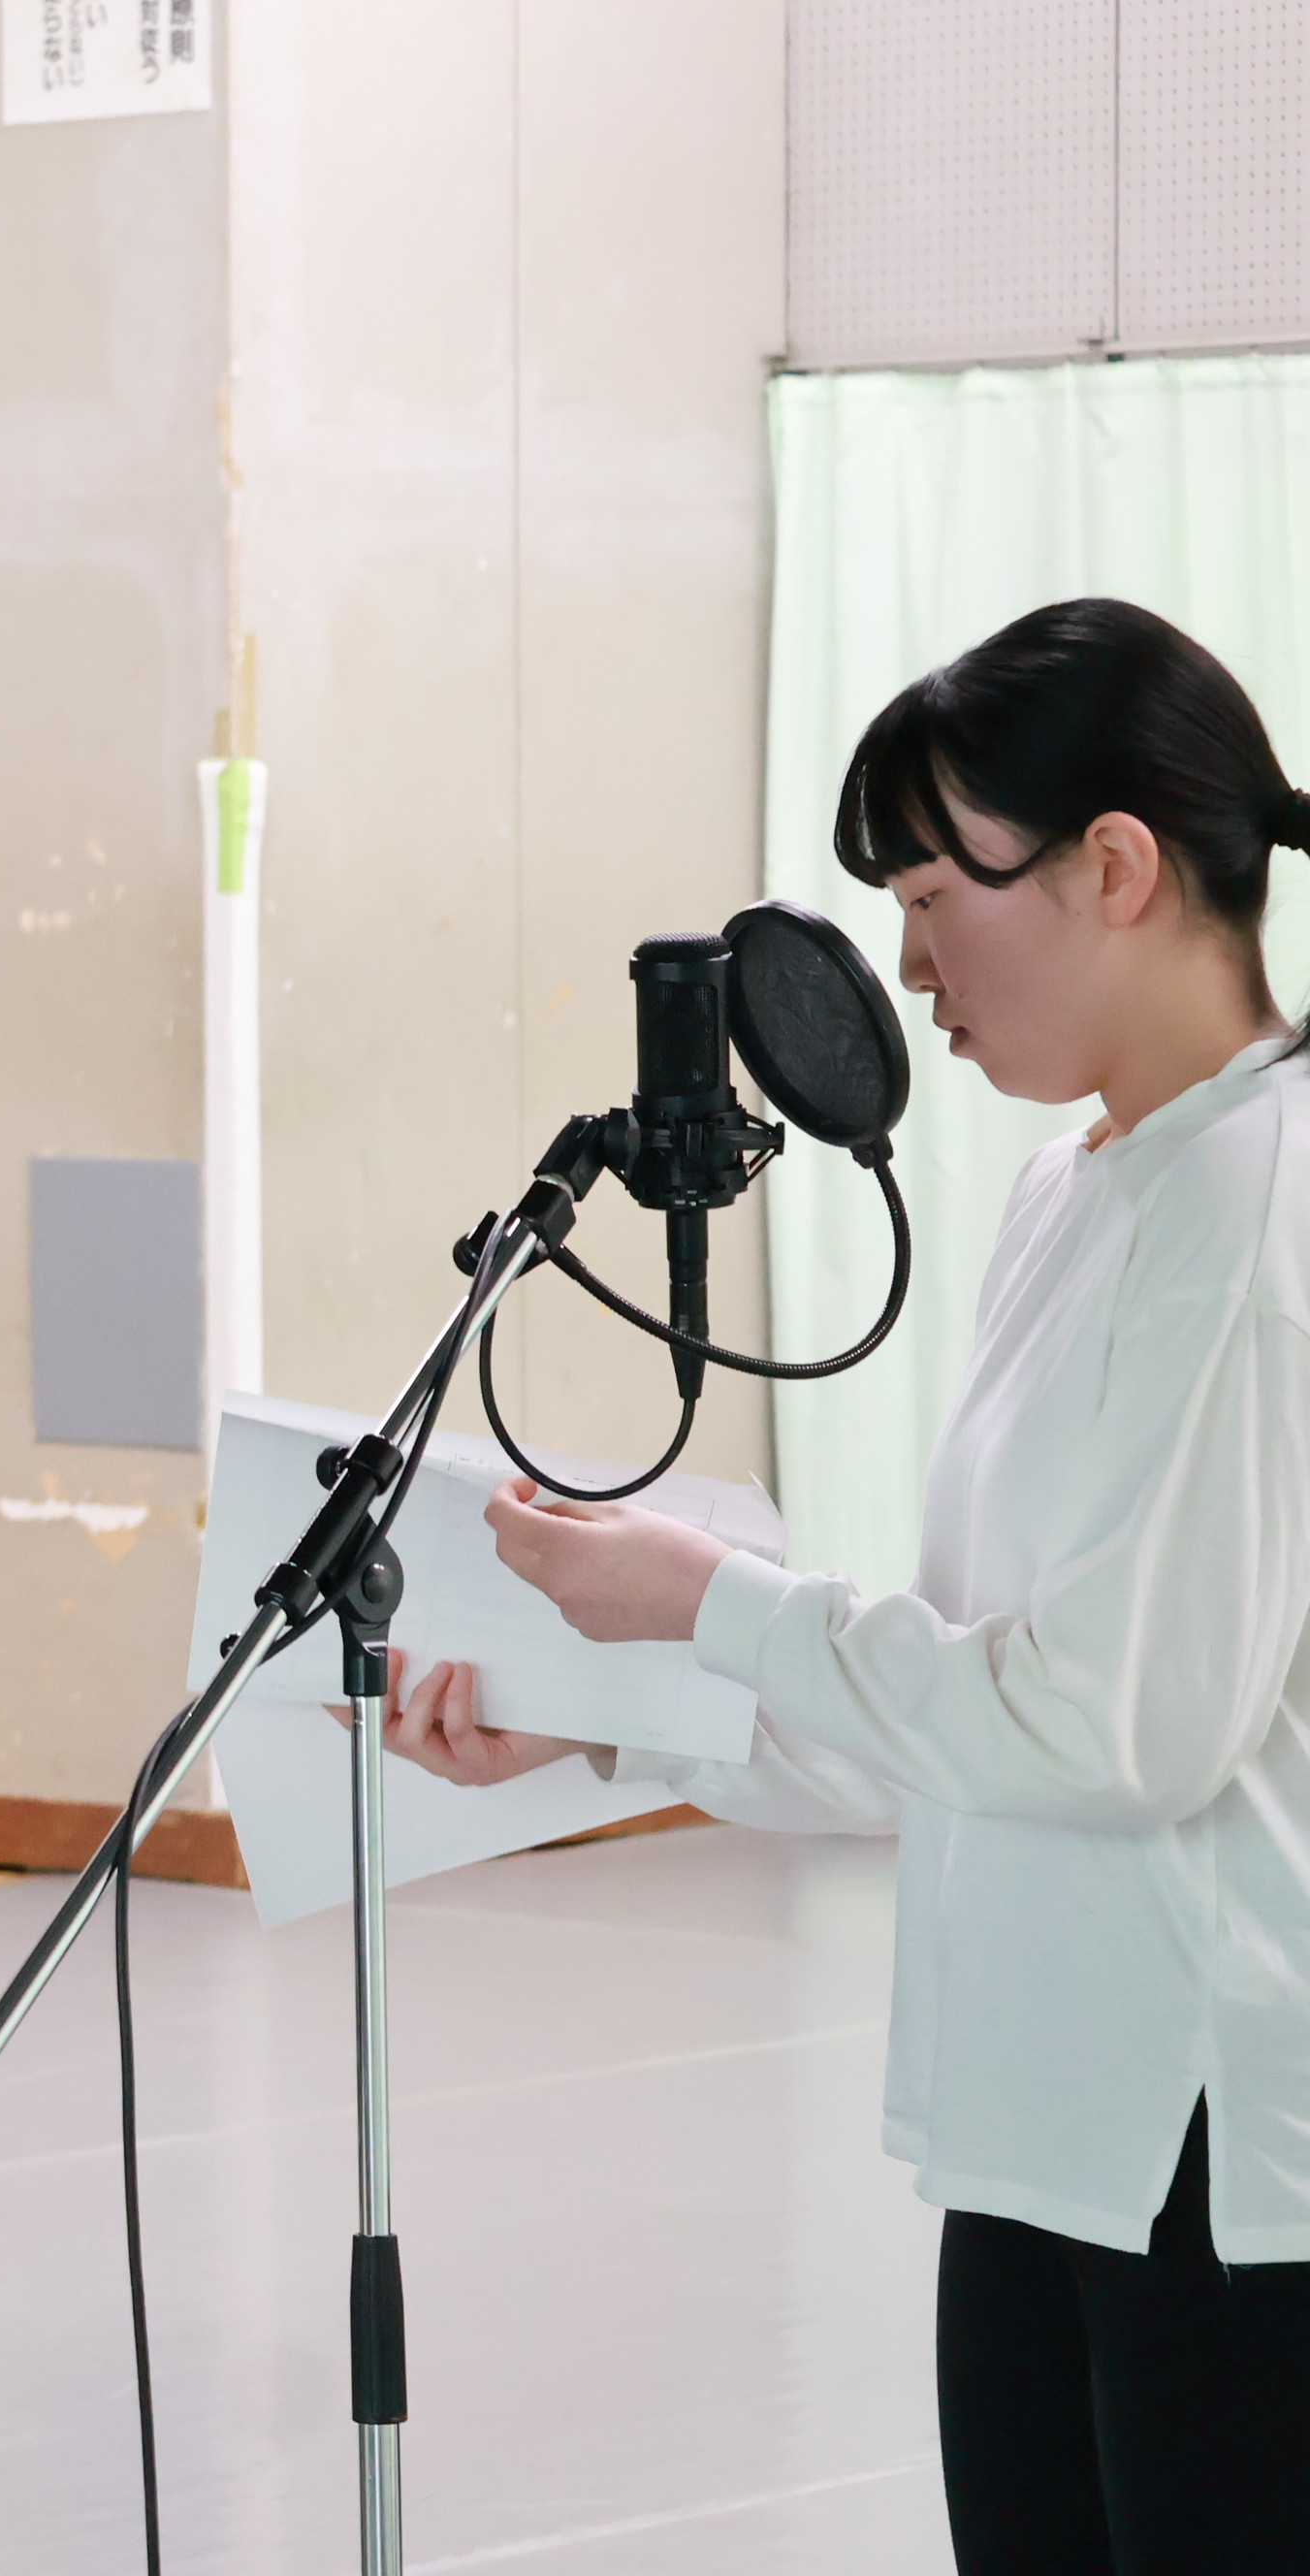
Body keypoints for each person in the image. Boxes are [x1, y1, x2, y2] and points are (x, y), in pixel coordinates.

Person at [372, 600, 1310, 2573]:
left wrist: (708, 1601)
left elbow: (1107, 1730)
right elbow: (957, 1714)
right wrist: (608, 1706)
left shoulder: (1256, 1199)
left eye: (934, 896)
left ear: (1115, 866)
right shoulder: (1078, 1192)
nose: (907, 969)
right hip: (1039, 2137)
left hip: (1216, 2176)